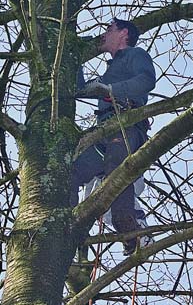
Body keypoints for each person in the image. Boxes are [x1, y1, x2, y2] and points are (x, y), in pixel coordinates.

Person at [72, 18, 156, 255]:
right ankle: (68, 224)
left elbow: (146, 80)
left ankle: (129, 228)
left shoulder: (135, 55)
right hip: (104, 132)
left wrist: (113, 91)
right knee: (72, 169)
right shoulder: (111, 69)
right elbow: (80, 89)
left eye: (109, 29)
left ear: (123, 34)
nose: (104, 34)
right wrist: (72, 57)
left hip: (126, 125)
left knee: (115, 171)